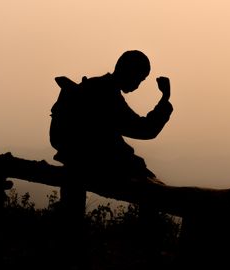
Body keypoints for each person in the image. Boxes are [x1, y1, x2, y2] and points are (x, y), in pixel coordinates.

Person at [49, 50, 173, 182]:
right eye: (139, 79)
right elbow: (144, 130)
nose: (138, 85)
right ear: (129, 72)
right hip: (87, 155)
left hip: (72, 151)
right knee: (142, 173)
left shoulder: (94, 85)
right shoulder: (107, 95)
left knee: (136, 164)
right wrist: (165, 99)